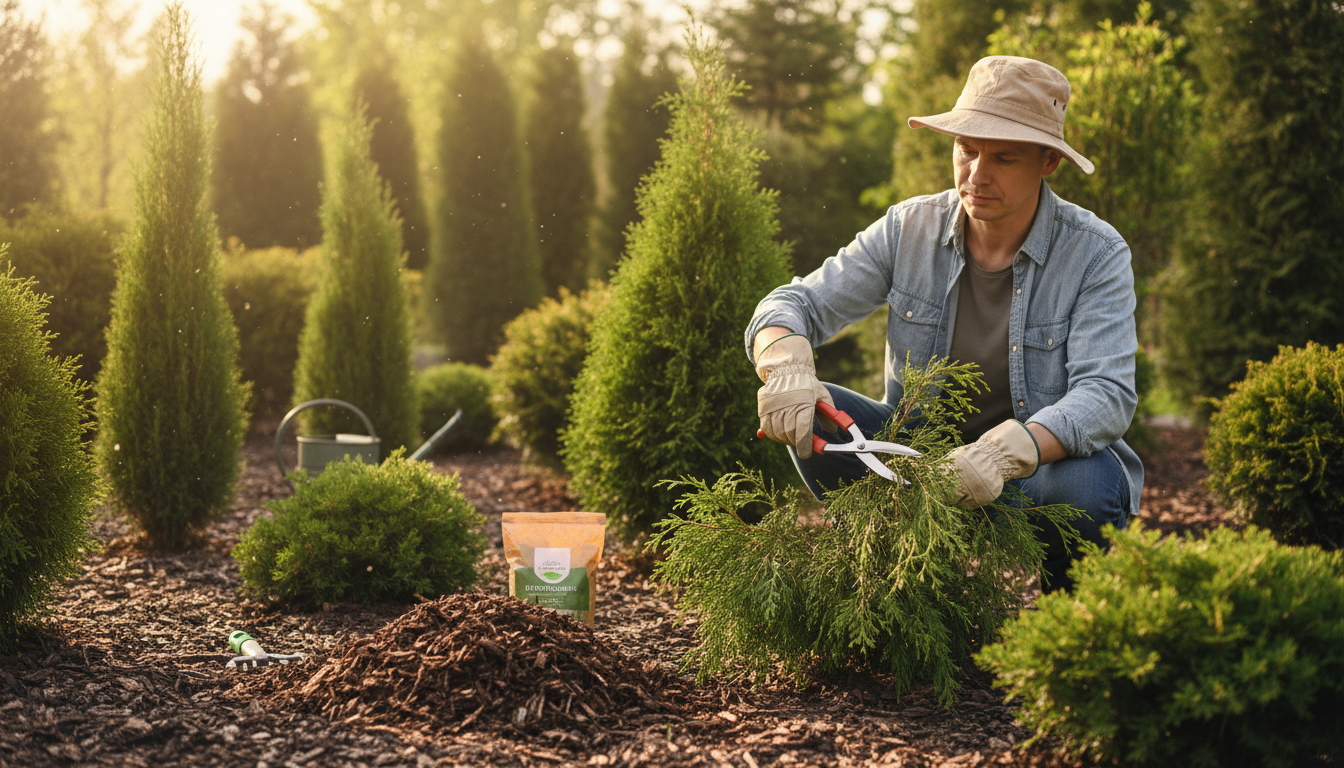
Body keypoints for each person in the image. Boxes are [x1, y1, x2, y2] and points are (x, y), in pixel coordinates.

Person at [746, 56, 1142, 594]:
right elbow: (796, 303)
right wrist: (784, 362)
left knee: (1087, 488)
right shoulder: (908, 228)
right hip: (919, 461)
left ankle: (1071, 623)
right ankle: (901, 587)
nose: (977, 175)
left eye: (1003, 158)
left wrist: (1002, 454)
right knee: (820, 417)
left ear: (1048, 161)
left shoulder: (1095, 253)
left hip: (1031, 472)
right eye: (966, 149)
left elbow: (1106, 394)